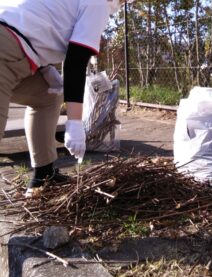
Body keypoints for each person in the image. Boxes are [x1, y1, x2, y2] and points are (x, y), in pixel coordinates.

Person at [0, 0, 126, 197]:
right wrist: (74, 124)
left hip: (17, 53)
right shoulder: (98, 4)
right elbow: (76, 62)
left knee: (48, 96)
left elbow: (32, 26)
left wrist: (45, 68)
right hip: (5, 52)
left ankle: (44, 175)